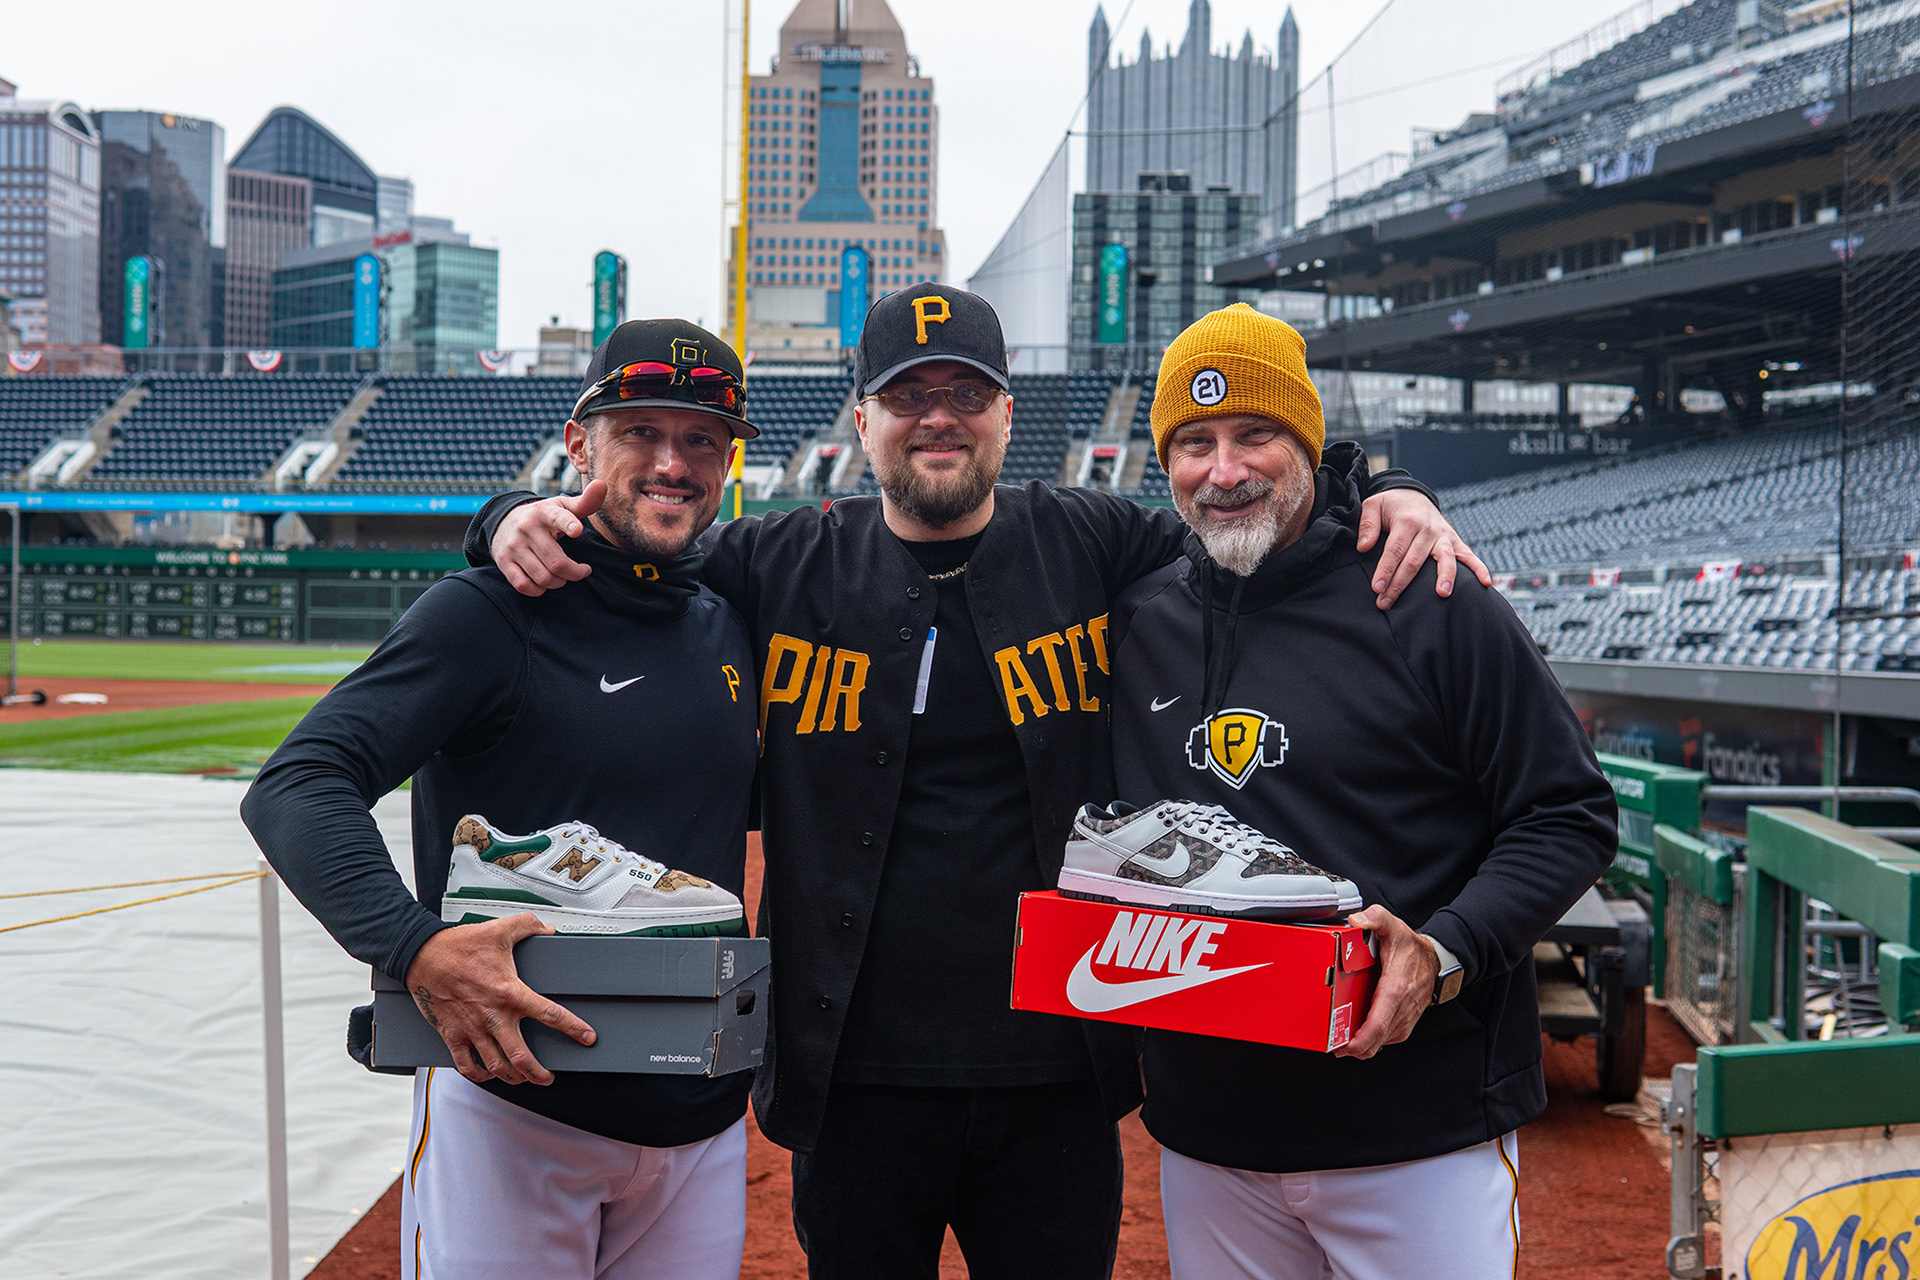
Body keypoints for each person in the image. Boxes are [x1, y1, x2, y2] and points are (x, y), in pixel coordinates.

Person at [471, 284, 1487, 1279]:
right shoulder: (773, 559)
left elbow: (1260, 515)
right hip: (851, 1078)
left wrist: (1386, 486)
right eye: (911, 395)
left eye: (966, 392)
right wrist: (507, 511)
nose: (939, 418)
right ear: (862, 417)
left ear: (1008, 413)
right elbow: (628, 550)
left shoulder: (1095, 538)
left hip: (1057, 1072)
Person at [1104, 303, 1618, 1279]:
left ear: (1309, 439)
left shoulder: (1428, 595)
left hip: (1418, 1132)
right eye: (1194, 442)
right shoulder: (1137, 616)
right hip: (1213, 1137)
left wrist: (1444, 950)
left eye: (1256, 433)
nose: (1225, 470)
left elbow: (1568, 810)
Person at [241, 320, 763, 1280]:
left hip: (700, 1120)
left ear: (728, 461)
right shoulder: (488, 613)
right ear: (579, 443)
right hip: (518, 1106)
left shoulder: (730, 617)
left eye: (700, 439)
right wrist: (415, 947)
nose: (672, 462)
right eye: (639, 431)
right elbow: (297, 785)